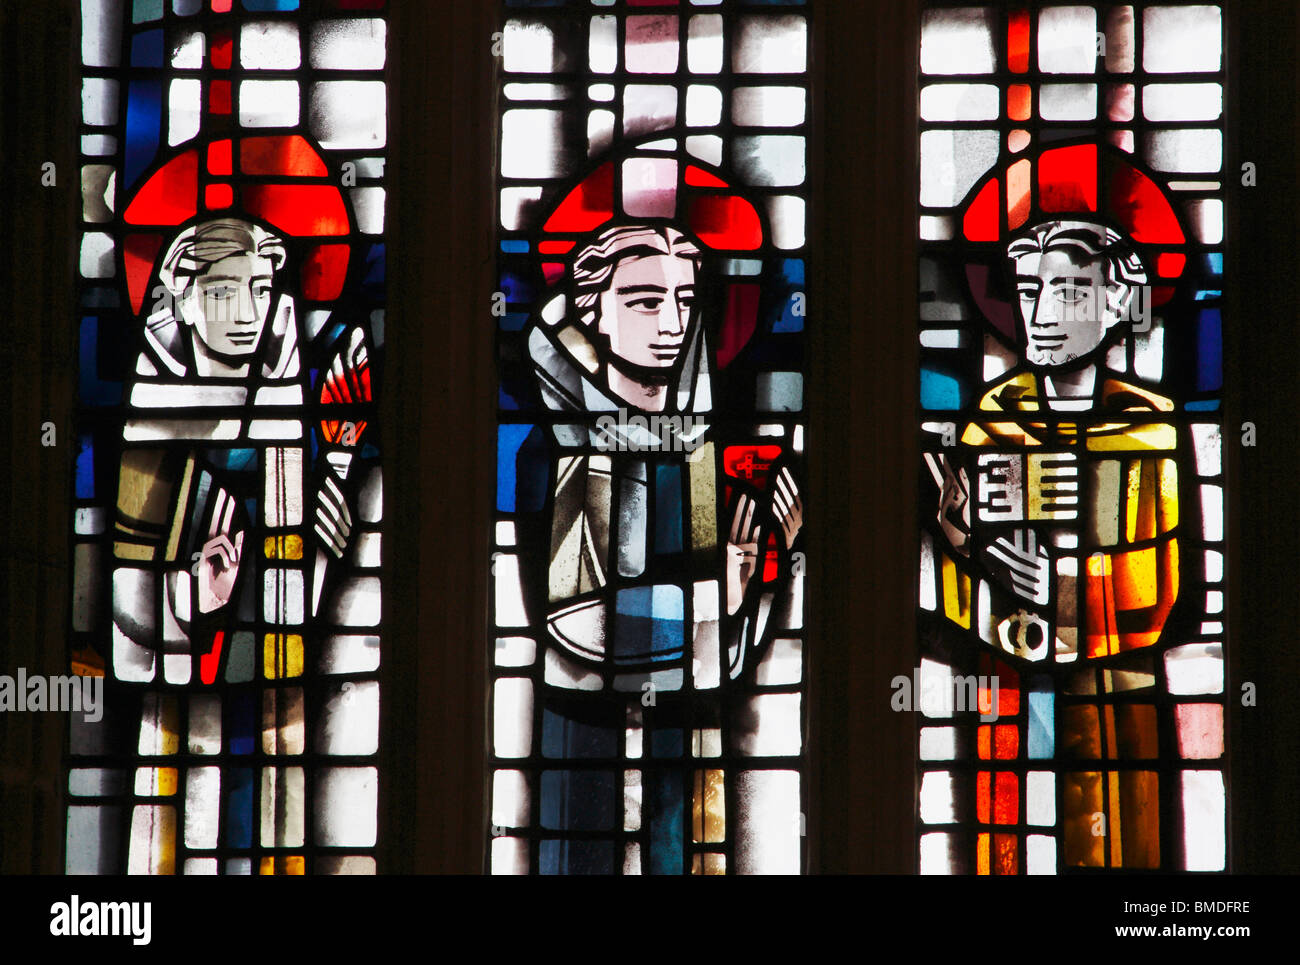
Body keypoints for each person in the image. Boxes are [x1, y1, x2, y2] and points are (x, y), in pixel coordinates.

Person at [522, 220, 802, 873]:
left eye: (684, 298)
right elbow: (580, 623)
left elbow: (717, 649)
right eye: (646, 300)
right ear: (594, 309)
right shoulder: (564, 444)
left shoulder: (698, 444)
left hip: (684, 721)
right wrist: (718, 595)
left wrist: (754, 579)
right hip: (586, 726)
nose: (671, 321)